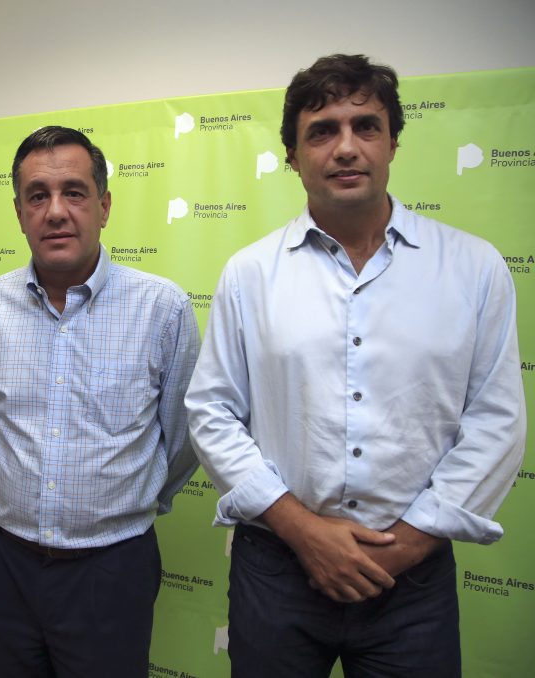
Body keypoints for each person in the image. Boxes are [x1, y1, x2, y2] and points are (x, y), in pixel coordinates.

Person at [185, 54, 526, 677]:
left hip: (412, 579)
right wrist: (303, 531)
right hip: (277, 569)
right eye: (322, 131)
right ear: (293, 157)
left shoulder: (474, 269)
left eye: (365, 126)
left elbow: (496, 421)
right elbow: (212, 411)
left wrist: (407, 546)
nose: (346, 148)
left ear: (393, 142)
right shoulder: (250, 274)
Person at [0, 126, 200, 677]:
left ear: (104, 206)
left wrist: (128, 502)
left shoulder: (163, 309)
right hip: (0, 563)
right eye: (37, 196)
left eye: (74, 192)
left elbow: (183, 440)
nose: (56, 212)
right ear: (19, 212)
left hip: (112, 568)